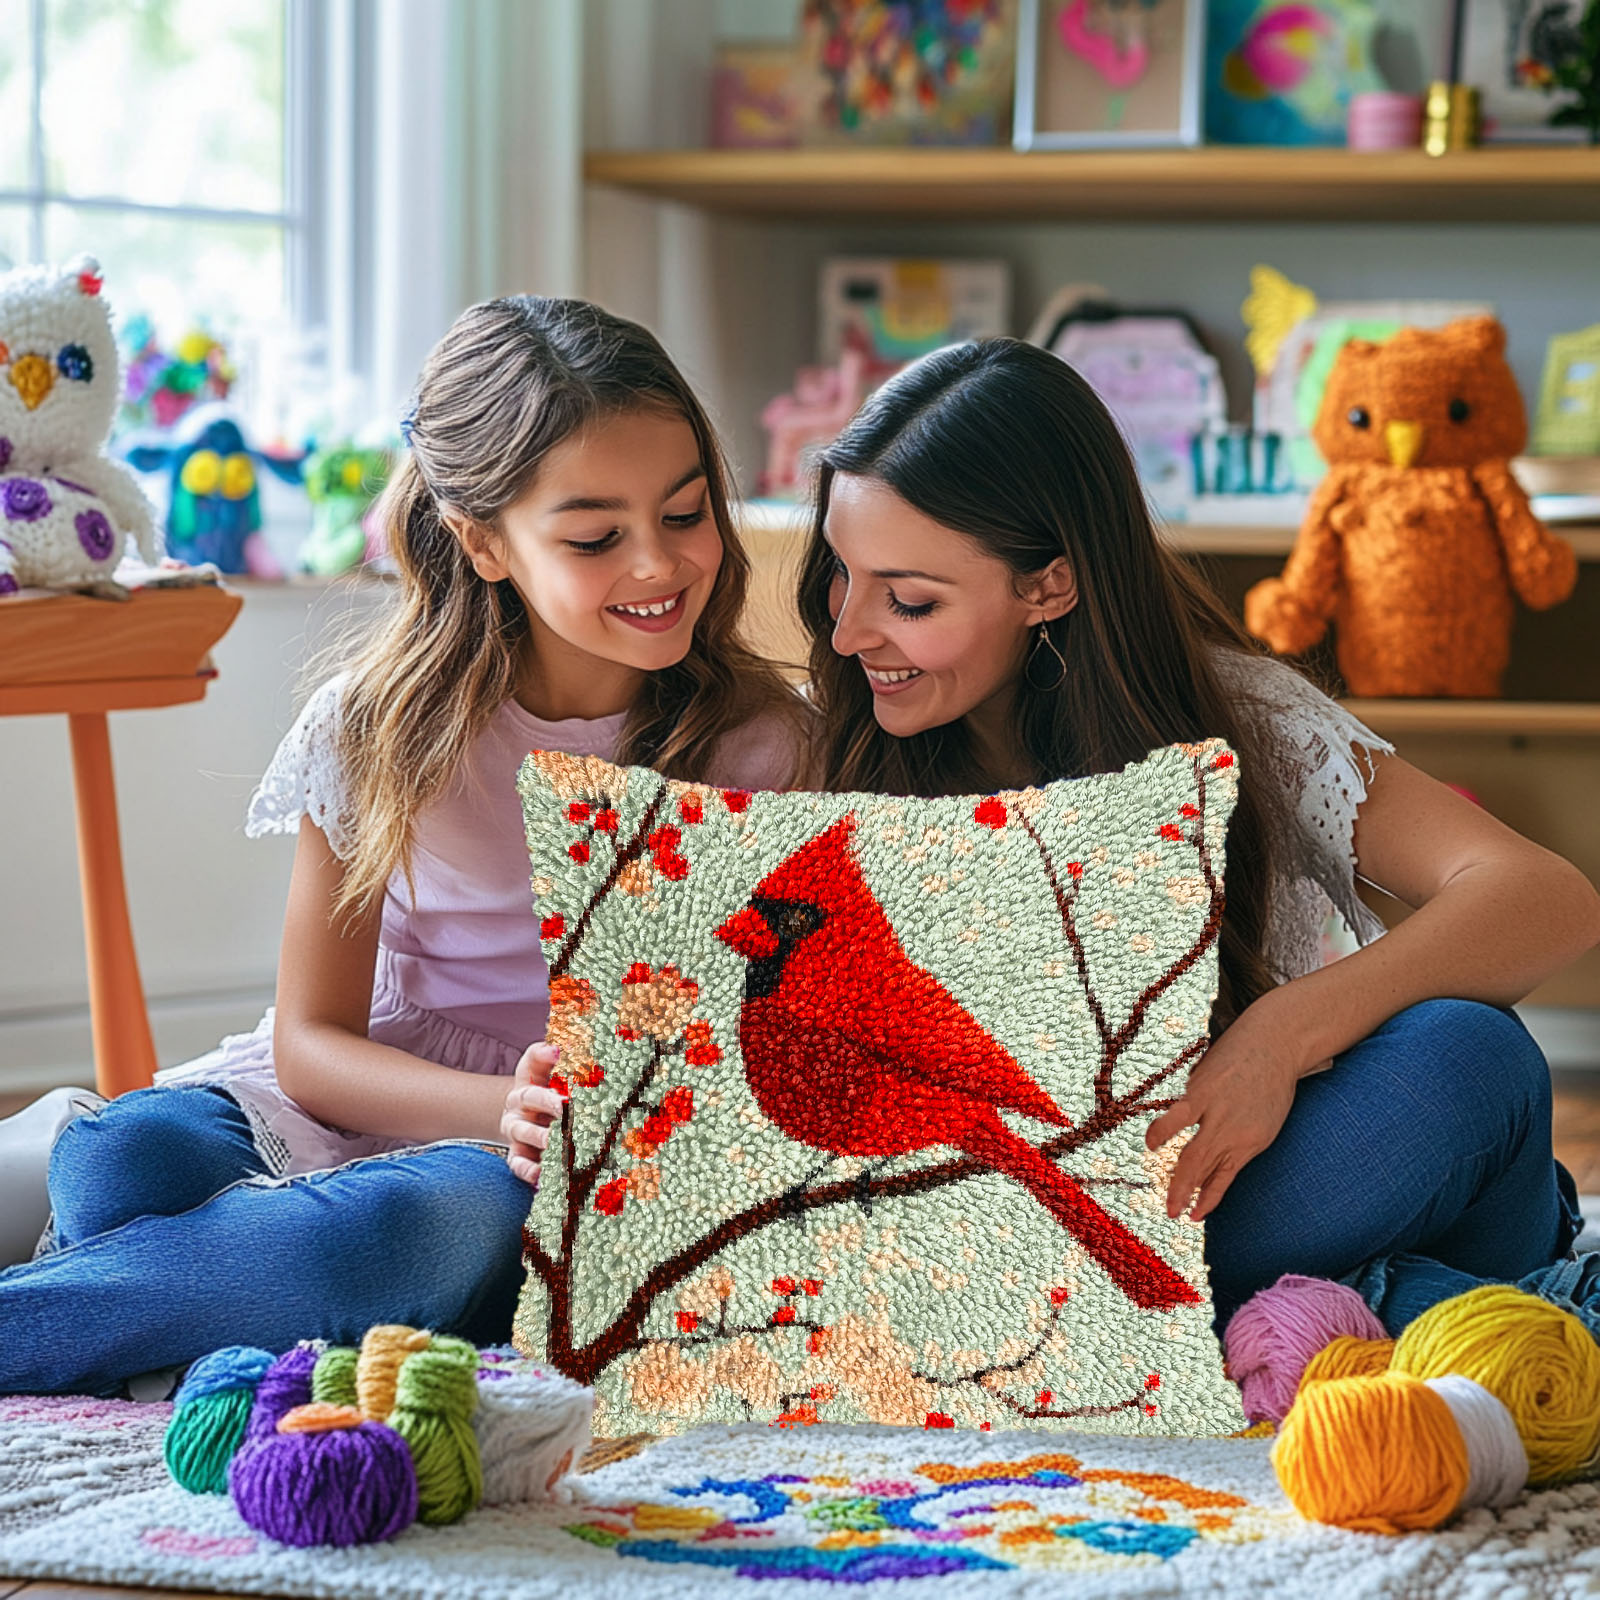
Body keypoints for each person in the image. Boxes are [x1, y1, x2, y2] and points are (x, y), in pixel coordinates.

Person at [0, 297, 810, 1395]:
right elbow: (311, 1044)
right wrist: (495, 1102)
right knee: (122, 1158)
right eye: (595, 537)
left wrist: (546, 1126)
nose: (659, 564)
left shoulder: (767, 746)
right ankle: (227, 1302)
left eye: (685, 512)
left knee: (408, 1235)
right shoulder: (374, 727)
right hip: (373, 1095)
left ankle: (173, 1299)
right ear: (482, 541)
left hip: (532, 1167)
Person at [797, 337, 1600, 1329]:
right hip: (1002, 1237)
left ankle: (1372, 1315)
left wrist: (1279, 1035)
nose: (847, 632)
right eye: (840, 572)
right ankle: (1434, 1311)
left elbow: (1545, 898)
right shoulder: (821, 749)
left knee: (1470, 1057)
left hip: (1215, 1190)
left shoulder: (1242, 718)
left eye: (909, 600)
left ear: (1048, 586)